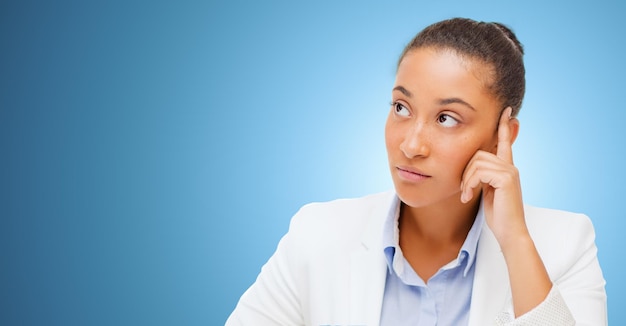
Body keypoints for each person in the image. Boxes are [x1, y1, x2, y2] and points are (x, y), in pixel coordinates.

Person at [225, 17, 607, 325]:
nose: (411, 145)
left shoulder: (565, 245)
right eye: (401, 108)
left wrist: (515, 240)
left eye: (446, 118)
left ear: (502, 136)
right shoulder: (317, 234)